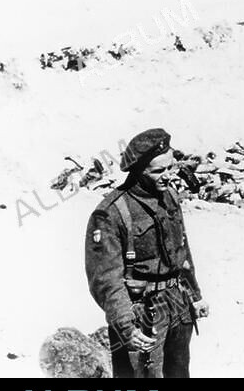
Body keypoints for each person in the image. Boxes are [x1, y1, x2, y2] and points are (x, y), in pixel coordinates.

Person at [85, 129, 209, 378]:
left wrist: (195, 295)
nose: (168, 176)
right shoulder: (111, 213)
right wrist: (126, 326)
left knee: (179, 373)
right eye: (159, 171)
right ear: (139, 171)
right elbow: (106, 279)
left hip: (178, 304)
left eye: (170, 168)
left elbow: (182, 251)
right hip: (141, 314)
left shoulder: (169, 196)